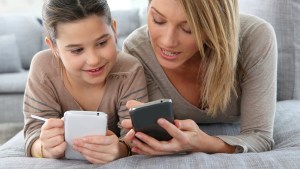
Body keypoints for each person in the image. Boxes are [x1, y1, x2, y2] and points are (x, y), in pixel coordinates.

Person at [121, 0, 277, 155]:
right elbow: (129, 140)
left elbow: (260, 136)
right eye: (158, 20)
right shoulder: (136, 51)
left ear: (216, 24)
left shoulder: (255, 37)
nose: (168, 41)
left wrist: (203, 143)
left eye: (188, 28)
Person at [23, 0, 148, 164]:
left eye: (102, 43)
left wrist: (120, 149)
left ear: (114, 31)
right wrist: (43, 147)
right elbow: (33, 132)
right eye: (77, 50)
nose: (94, 60)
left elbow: (135, 137)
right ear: (53, 48)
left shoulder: (129, 71)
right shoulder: (43, 68)